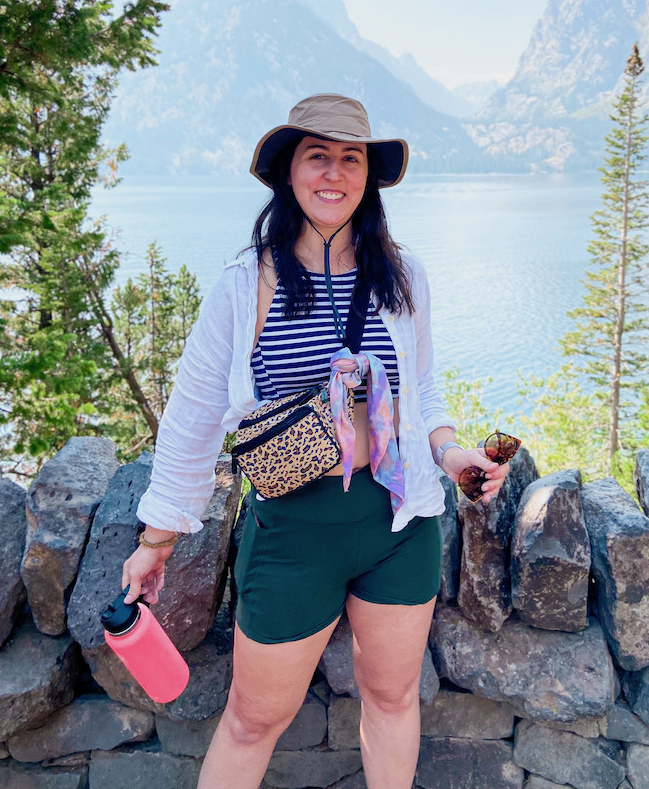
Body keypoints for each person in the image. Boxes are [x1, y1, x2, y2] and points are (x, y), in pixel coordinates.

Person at [121, 94, 510, 789]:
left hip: (399, 525)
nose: (334, 173)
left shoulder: (403, 275)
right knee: (250, 720)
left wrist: (453, 456)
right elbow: (192, 420)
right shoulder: (246, 286)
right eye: (317, 157)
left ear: (368, 175)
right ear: (289, 174)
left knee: (392, 699)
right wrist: (157, 542)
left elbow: (422, 392)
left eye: (350, 158)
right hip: (292, 534)